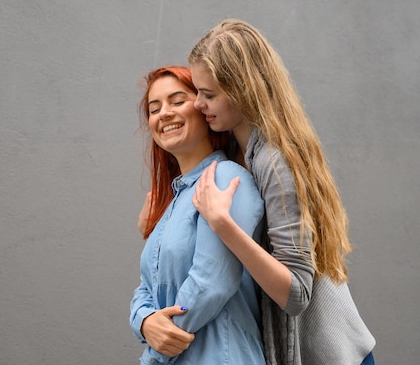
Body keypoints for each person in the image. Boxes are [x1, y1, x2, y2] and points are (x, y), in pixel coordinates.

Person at [187, 19, 376, 365]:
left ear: (243, 89)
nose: (198, 103)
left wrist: (223, 224)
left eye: (209, 94)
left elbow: (296, 294)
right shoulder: (234, 152)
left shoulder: (275, 162)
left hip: (332, 357)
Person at [129, 66, 267, 365]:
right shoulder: (171, 202)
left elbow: (211, 282)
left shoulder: (226, 178)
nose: (164, 113)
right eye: (155, 108)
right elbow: (146, 285)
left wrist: (155, 354)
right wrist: (143, 321)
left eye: (177, 101)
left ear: (204, 110)